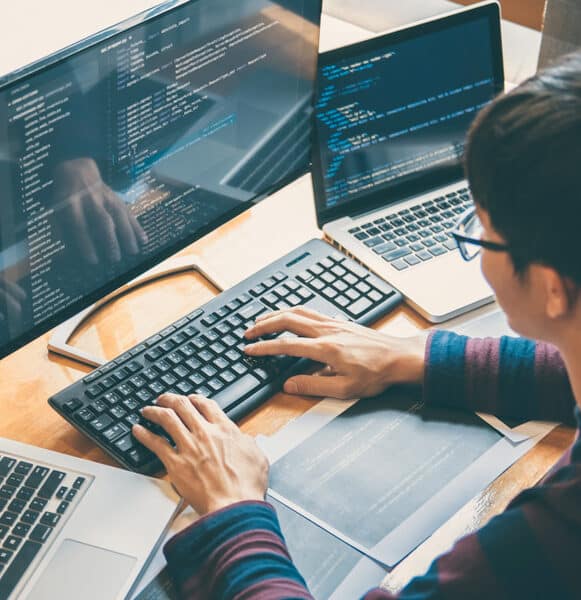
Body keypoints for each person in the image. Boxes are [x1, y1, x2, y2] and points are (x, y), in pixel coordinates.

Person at [132, 50, 581, 599]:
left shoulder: (555, 533)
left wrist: (232, 509)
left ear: (552, 288)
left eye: (480, 231)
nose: (476, 248)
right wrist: (414, 357)